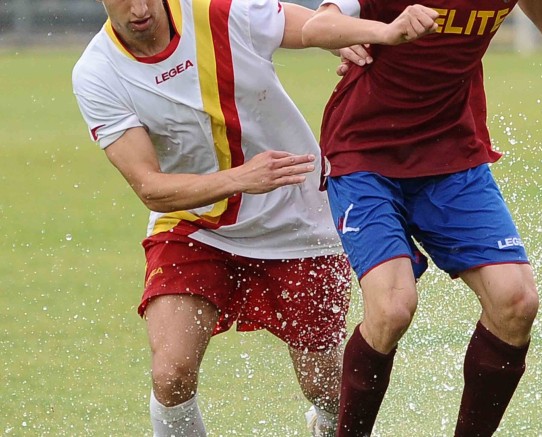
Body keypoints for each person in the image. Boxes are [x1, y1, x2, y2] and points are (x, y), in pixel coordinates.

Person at [302, 2, 542, 436]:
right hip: (364, 156)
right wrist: (383, 31)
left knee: (516, 302)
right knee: (393, 309)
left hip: (451, 154)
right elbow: (317, 25)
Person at [72, 0, 370, 435]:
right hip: (195, 225)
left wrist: (342, 38)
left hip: (300, 222)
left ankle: (326, 425)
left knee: (323, 385)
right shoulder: (97, 71)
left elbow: (305, 27)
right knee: (171, 374)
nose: (138, 9)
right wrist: (241, 179)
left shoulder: (217, 11)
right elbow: (149, 187)